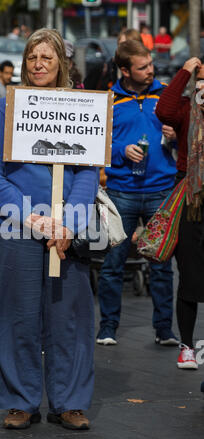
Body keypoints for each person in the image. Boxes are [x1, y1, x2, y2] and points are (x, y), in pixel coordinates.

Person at [0, 28, 98, 431]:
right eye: (33, 57)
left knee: (70, 318)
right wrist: (31, 216)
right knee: (19, 316)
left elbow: (87, 174)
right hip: (19, 228)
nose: (38, 64)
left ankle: (70, 401)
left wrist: (69, 222)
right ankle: (20, 400)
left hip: (68, 231)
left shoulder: (81, 106)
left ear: (62, 63)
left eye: (47, 58)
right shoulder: (5, 108)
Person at [96, 40, 178, 346]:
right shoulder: (109, 100)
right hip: (121, 190)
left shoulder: (166, 93)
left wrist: (176, 134)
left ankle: (164, 330)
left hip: (161, 190)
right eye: (143, 67)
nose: (150, 71)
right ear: (125, 70)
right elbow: (98, 144)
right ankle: (107, 327)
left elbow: (188, 132)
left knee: (162, 265)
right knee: (112, 264)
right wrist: (121, 150)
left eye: (151, 65)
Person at [156, 57, 204, 369]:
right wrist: (184, 70)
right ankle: (187, 345)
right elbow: (164, 111)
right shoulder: (188, 110)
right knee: (188, 271)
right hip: (191, 196)